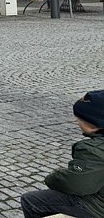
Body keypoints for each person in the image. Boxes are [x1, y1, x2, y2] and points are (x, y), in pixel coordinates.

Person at [20, 90, 104, 218]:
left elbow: (78, 183)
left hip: (98, 207)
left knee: (31, 201)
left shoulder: (94, 149)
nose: (76, 122)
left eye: (79, 119)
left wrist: (53, 178)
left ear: (93, 126)